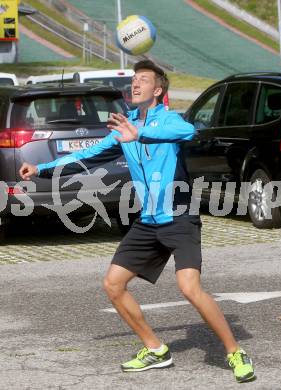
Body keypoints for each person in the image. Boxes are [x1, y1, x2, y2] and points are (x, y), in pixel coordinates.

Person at [19, 60, 255, 383]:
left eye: (143, 80)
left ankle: (234, 352)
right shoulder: (126, 125)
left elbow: (188, 130)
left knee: (189, 287)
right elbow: (89, 155)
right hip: (148, 221)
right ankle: (156, 349)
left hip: (179, 217)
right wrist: (42, 168)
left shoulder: (168, 121)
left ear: (157, 90)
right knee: (113, 285)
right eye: (133, 80)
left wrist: (139, 133)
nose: (135, 84)